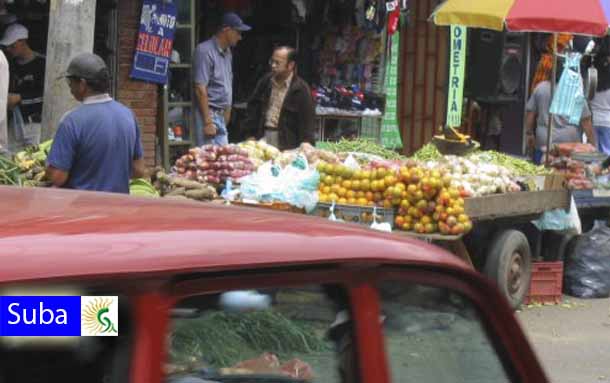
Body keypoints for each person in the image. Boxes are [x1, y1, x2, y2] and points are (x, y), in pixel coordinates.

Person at [46, 53, 146, 193]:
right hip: (119, 207)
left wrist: (49, 168)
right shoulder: (128, 115)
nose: (70, 88)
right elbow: (139, 171)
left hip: (82, 208)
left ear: (82, 84)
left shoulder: (71, 121)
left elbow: (58, 177)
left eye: (71, 83)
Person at [193, 12, 250, 147]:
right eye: (238, 32)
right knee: (208, 160)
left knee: (222, 160)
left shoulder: (228, 52)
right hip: (208, 114)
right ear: (226, 30)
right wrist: (207, 122)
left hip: (221, 114)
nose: (240, 37)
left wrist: (228, 111)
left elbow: (227, 82)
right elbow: (200, 88)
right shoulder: (204, 51)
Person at [243, 46, 315, 150]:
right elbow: (253, 108)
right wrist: (250, 135)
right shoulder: (265, 82)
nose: (273, 65)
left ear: (290, 65)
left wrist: (306, 142)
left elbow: (307, 120)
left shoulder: (301, 88)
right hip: (263, 137)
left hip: (288, 143)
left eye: (277, 63)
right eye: (272, 61)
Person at [525, 68, 596, 164]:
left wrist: (529, 134)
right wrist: (592, 146)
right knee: (568, 174)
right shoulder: (576, 93)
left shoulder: (540, 88)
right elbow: (587, 124)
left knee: (541, 174)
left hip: (544, 143)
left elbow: (530, 114)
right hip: (569, 146)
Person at [0, 23, 45, 146]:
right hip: (14, 122)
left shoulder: (42, 64)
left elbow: (47, 96)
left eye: (12, 45)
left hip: (34, 124)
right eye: (7, 46)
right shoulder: (10, 64)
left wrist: (20, 98)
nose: (9, 49)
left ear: (23, 41)